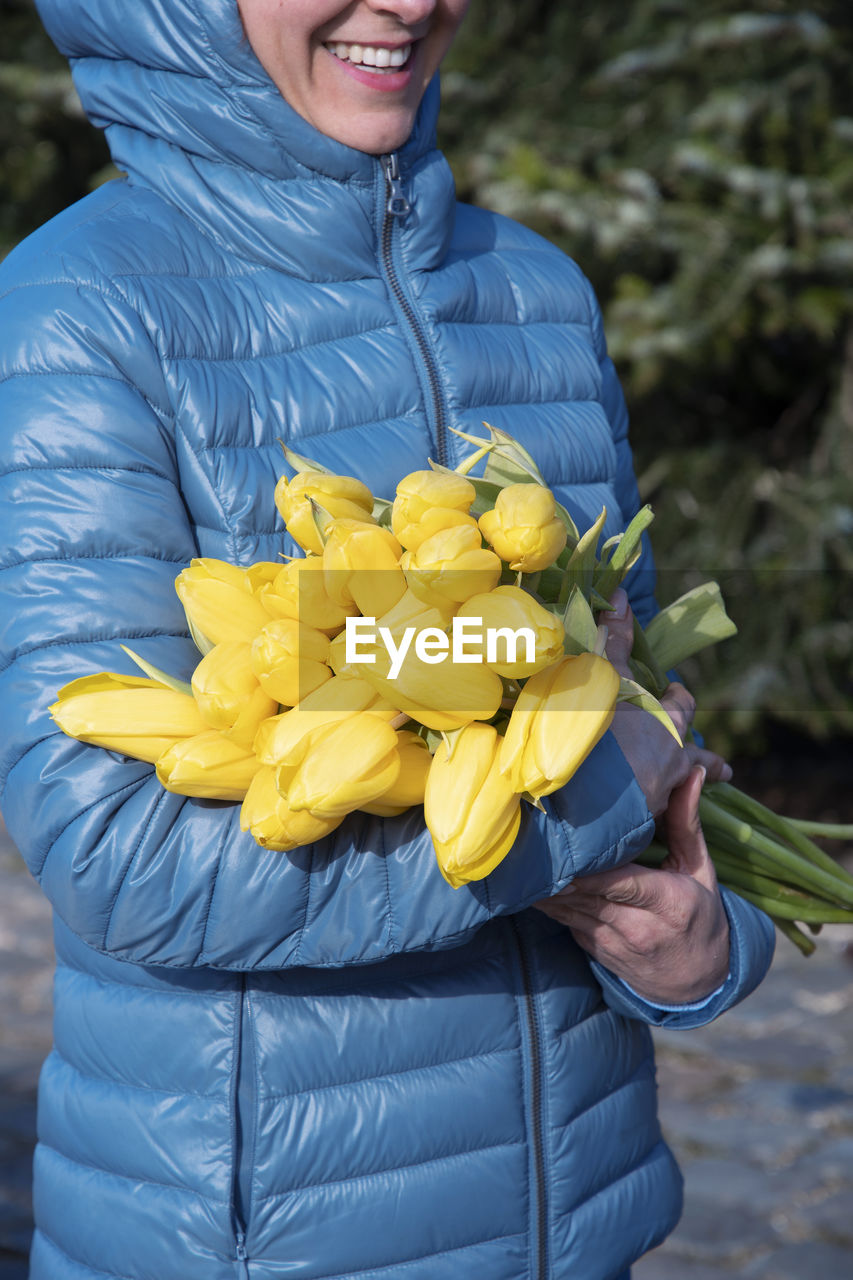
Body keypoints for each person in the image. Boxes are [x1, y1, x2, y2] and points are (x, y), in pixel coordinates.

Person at [0, 2, 775, 1277]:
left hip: (572, 1226)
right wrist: (578, 804)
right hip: (276, 1241)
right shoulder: (79, 313)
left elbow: (657, 726)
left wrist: (702, 947)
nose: (410, 2)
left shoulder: (531, 292)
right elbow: (120, 854)